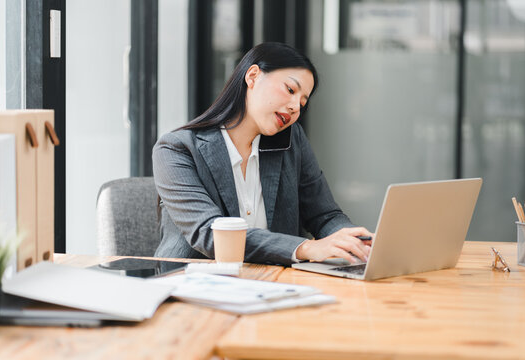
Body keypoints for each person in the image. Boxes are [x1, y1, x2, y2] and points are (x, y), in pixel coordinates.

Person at [153, 42, 373, 266]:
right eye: (290, 90)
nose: (295, 106)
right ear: (253, 76)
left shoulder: (291, 140)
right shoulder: (175, 150)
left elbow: (324, 216)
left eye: (302, 102)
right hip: (193, 287)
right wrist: (306, 247)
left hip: (276, 284)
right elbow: (210, 234)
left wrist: (356, 242)